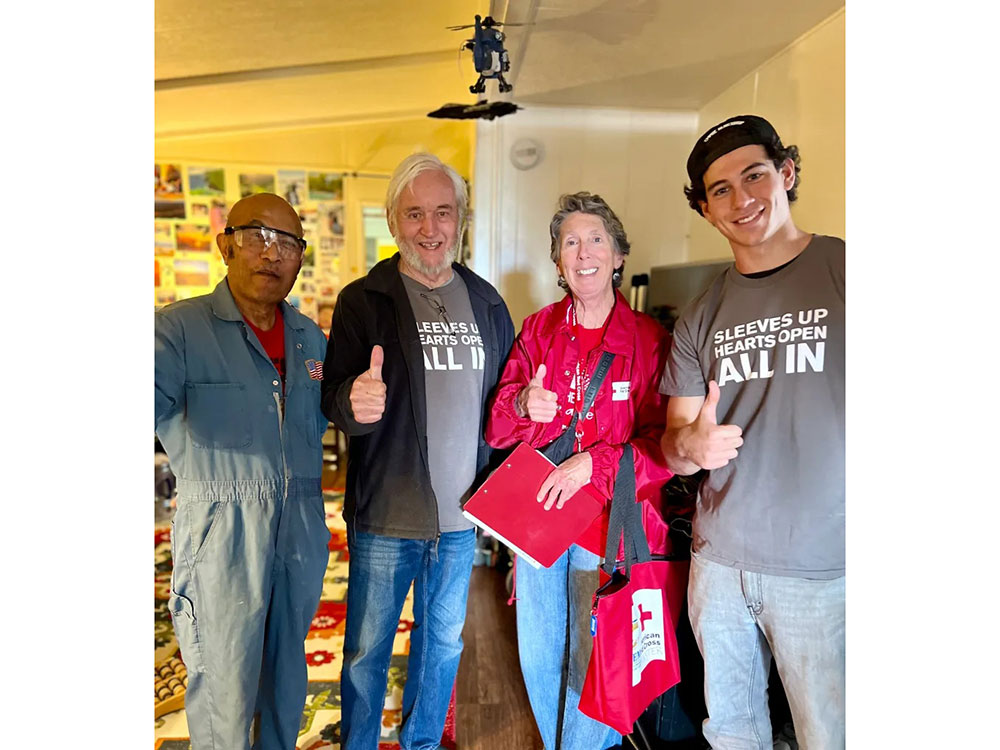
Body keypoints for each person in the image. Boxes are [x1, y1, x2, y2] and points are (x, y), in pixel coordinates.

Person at [659, 115, 845, 750]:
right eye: (720, 190)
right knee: (732, 733)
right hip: (719, 566)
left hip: (826, 567)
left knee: (831, 733)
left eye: (755, 175)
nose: (742, 199)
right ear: (706, 210)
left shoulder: (848, 273)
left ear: (786, 174)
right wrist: (691, 446)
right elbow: (675, 446)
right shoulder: (700, 313)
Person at [321, 152, 515, 750]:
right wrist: (354, 400)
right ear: (391, 220)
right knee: (365, 651)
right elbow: (332, 400)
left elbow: (505, 401)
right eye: (413, 214)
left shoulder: (487, 303)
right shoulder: (366, 299)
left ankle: (424, 742)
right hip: (387, 515)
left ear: (460, 219)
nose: (429, 229)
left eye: (441, 212)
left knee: (443, 644)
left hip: (462, 519)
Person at [485, 192, 676, 750]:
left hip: (610, 533)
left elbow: (666, 448)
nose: (583, 251)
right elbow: (497, 428)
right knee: (540, 654)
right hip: (539, 523)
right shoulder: (539, 328)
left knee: (596, 665)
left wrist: (594, 462)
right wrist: (523, 405)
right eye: (570, 241)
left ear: (618, 256)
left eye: (596, 239)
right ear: (558, 258)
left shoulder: (649, 341)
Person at [155, 193, 331, 749]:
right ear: (225, 243)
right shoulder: (178, 331)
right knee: (227, 695)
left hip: (299, 531)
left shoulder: (311, 338)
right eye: (257, 234)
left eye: (288, 243)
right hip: (219, 536)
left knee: (285, 685)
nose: (272, 252)